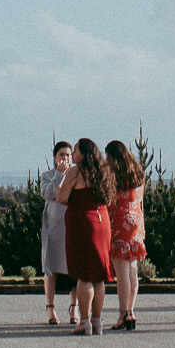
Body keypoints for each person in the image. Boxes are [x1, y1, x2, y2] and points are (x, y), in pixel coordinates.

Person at [55, 138, 114, 336]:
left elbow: (61, 197)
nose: (73, 155)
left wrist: (62, 177)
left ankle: (85, 321)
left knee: (84, 274)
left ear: (83, 154)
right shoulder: (103, 172)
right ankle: (98, 322)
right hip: (102, 221)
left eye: (76, 151)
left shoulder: (75, 172)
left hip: (82, 222)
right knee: (98, 276)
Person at [105, 139, 147, 331]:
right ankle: (131, 310)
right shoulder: (138, 174)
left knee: (121, 273)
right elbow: (141, 203)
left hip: (120, 225)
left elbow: (110, 202)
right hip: (136, 224)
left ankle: (123, 314)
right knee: (132, 271)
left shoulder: (115, 177)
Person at [41, 141, 78, 326]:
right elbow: (48, 194)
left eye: (69, 155)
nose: (66, 158)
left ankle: (74, 306)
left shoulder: (76, 175)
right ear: (55, 158)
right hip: (53, 226)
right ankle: (50, 307)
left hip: (71, 224)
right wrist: (59, 175)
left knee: (74, 267)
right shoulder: (47, 176)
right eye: (62, 155)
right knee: (50, 266)